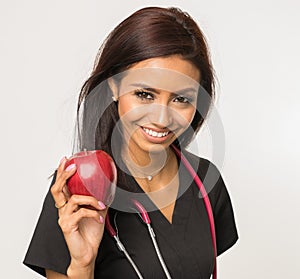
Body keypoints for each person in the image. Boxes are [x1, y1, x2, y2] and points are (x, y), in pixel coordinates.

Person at [23, 6, 238, 279]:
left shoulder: (205, 181)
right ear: (114, 86)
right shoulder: (77, 190)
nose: (161, 118)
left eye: (181, 99)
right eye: (145, 94)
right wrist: (83, 265)